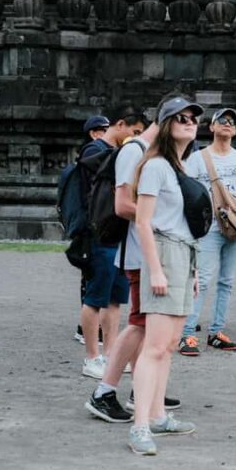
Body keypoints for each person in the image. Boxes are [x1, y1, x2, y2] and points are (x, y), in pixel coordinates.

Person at [85, 99, 180, 423]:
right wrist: (161, 217)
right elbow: (122, 204)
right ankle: (105, 391)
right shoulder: (134, 151)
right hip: (139, 253)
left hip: (154, 250)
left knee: (146, 326)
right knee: (140, 324)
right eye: (180, 119)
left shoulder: (156, 154)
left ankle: (140, 387)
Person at [128, 96, 203, 455]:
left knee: (170, 346)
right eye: (182, 118)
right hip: (164, 254)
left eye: (193, 118)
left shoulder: (182, 166)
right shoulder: (156, 165)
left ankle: (157, 414)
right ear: (167, 123)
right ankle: (140, 425)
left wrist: (193, 270)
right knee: (154, 346)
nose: (190, 122)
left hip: (183, 254)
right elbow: (143, 222)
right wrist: (155, 268)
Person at [179, 108, 236, 355]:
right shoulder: (197, 158)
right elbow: (187, 191)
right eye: (221, 120)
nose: (227, 123)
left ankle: (216, 331)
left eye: (232, 121)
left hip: (233, 226)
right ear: (211, 127)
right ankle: (188, 334)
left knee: (227, 282)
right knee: (201, 280)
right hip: (208, 226)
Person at [79, 110, 145, 379]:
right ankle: (92, 356)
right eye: (135, 132)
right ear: (121, 125)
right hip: (101, 232)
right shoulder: (95, 152)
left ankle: (110, 353)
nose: (137, 139)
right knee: (95, 297)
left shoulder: (120, 153)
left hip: (119, 234)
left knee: (116, 298)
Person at [73, 114, 110, 346]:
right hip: (92, 223)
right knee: (93, 275)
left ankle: (93, 325)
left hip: (96, 221)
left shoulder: (97, 151)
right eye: (105, 130)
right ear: (95, 133)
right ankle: (86, 328)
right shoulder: (93, 151)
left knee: (96, 274)